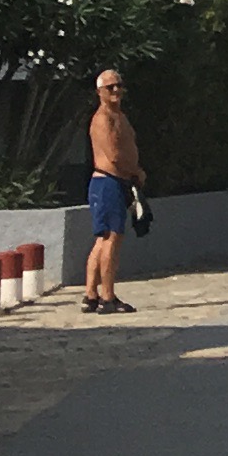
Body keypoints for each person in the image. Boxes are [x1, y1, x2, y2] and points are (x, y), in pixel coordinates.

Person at [83, 68, 140, 312]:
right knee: (111, 239)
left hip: (118, 182)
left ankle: (90, 294)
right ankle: (107, 296)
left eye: (119, 85)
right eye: (110, 87)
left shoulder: (120, 116)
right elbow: (114, 155)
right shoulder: (102, 119)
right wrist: (135, 171)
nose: (116, 90)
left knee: (104, 239)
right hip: (107, 182)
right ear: (100, 92)